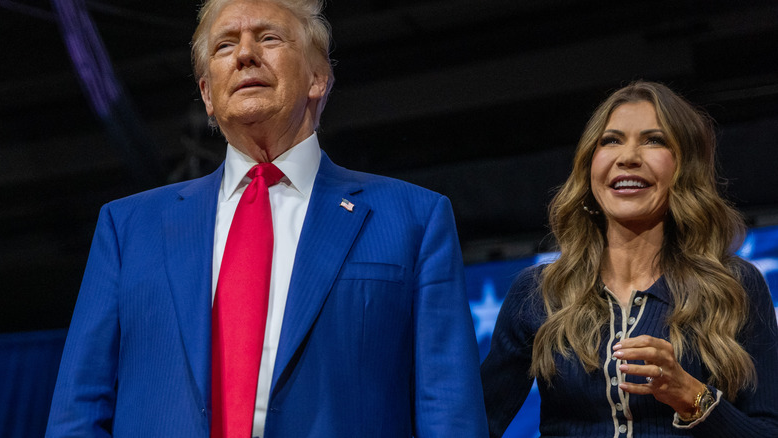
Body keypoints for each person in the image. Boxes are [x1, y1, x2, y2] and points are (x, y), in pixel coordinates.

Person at [45, 0, 487, 436]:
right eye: (224, 46)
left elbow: (449, 411)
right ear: (206, 95)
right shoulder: (127, 228)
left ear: (318, 77)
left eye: (268, 37)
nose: (244, 54)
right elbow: (77, 411)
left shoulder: (414, 218)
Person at [481, 81, 778, 437]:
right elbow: (472, 425)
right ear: (590, 164)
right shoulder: (539, 292)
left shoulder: (735, 285)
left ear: (686, 167)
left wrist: (692, 396)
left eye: (654, 140)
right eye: (611, 140)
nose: (628, 157)